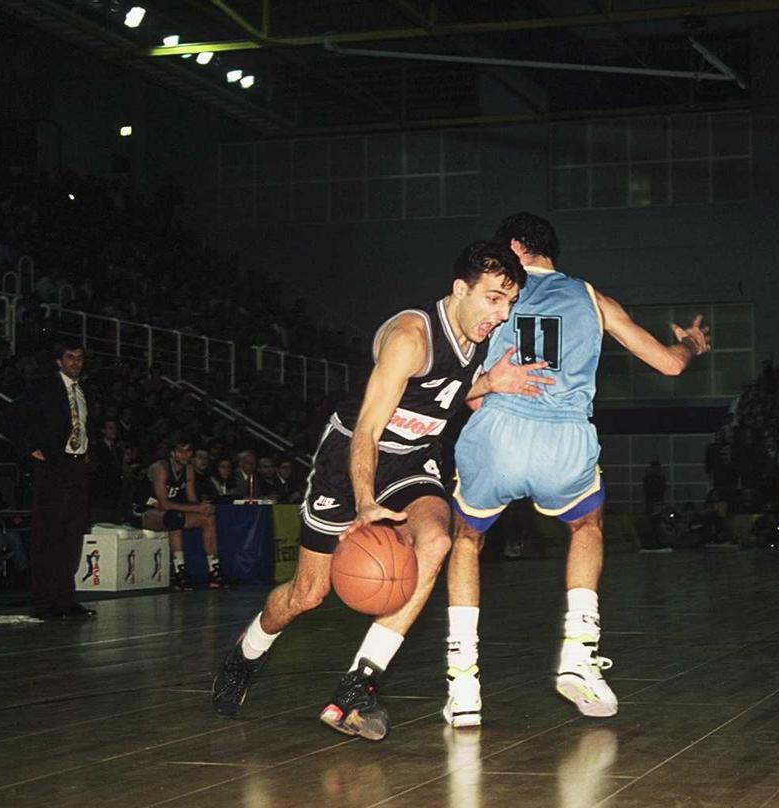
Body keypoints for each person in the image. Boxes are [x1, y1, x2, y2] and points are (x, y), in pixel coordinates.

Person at [210, 241, 547, 741]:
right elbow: (367, 428)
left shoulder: (478, 334)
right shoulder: (412, 337)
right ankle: (247, 652)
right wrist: (366, 503)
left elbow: (446, 393)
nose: (502, 314)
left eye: (509, 302)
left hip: (413, 459)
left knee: (437, 540)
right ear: (460, 289)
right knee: (309, 593)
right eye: (494, 299)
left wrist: (490, 383)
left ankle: (357, 688)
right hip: (352, 459)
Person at [445, 212, 711, 728]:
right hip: (564, 438)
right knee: (586, 525)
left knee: (465, 540)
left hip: (497, 431)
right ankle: (579, 654)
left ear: (516, 248)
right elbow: (670, 365)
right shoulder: (593, 298)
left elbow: (456, 384)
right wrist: (694, 344)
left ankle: (463, 686)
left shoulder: (491, 295)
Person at [5, 340, 96, 620]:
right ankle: (45, 601)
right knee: (48, 534)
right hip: (53, 466)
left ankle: (65, 599)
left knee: (71, 535)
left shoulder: (83, 391)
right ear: (58, 361)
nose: (75, 363)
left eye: (79, 358)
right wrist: (30, 450)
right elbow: (11, 416)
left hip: (76, 467)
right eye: (70, 358)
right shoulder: (44, 387)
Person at [143, 435, 221, 591]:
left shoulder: (189, 470)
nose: (185, 455)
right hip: (145, 511)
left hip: (169, 511)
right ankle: (180, 572)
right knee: (175, 517)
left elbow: (192, 501)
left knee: (207, 517)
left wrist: (203, 507)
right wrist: (196, 508)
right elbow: (164, 504)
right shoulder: (161, 468)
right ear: (172, 453)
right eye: (180, 451)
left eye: (188, 451)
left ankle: (214, 569)